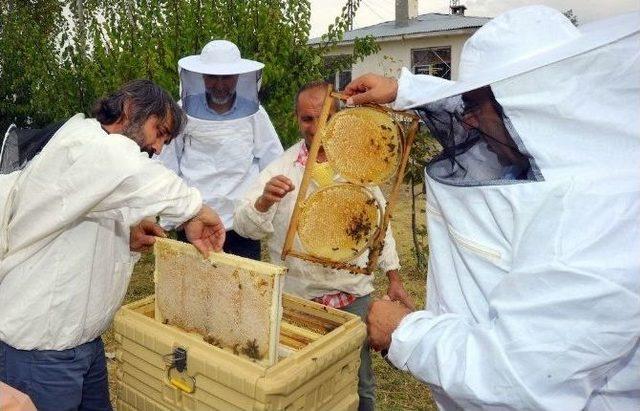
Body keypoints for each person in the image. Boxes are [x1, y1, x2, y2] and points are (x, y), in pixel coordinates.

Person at [344, 6, 640, 410]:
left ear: (525, 102)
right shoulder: (591, 153)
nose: (465, 122)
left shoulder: (596, 221)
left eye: (474, 106)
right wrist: (405, 90)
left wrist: (403, 333)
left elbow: (520, 383)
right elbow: (488, 107)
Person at [0, 80, 226, 411]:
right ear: (131, 108)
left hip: (83, 344)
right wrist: (195, 209)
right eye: (158, 131)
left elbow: (82, 233)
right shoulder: (85, 144)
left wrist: (127, 239)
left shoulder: (99, 165)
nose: (159, 148)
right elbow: (131, 171)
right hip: (41, 350)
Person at [233, 80, 414, 411]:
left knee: (358, 381)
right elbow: (244, 226)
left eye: (325, 116)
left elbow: (379, 225)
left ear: (339, 115)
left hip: (351, 294)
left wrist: (394, 277)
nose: (315, 127)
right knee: (305, 382)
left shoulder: (361, 164)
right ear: (296, 119)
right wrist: (263, 202)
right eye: (307, 119)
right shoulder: (281, 169)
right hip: (299, 298)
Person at [158, 40, 283, 259]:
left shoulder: (255, 113)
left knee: (242, 286)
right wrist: (179, 213)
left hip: (241, 222)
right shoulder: (182, 110)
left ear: (238, 77)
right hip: (195, 219)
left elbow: (272, 161)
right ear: (201, 77)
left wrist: (264, 206)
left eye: (226, 77)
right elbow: (168, 163)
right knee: (195, 288)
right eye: (212, 77)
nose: (220, 84)